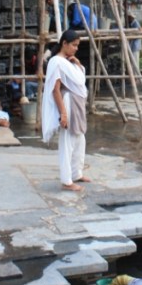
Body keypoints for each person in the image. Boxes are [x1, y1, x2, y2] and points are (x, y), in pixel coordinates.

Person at [41, 29, 90, 192]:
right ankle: (66, 180)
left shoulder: (69, 61)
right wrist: (63, 113)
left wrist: (77, 62)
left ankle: (77, 173)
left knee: (79, 138)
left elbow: (80, 79)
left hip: (78, 101)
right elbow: (55, 89)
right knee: (68, 141)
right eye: (74, 45)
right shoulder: (56, 62)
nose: (76, 48)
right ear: (64, 44)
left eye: (77, 45)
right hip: (68, 102)